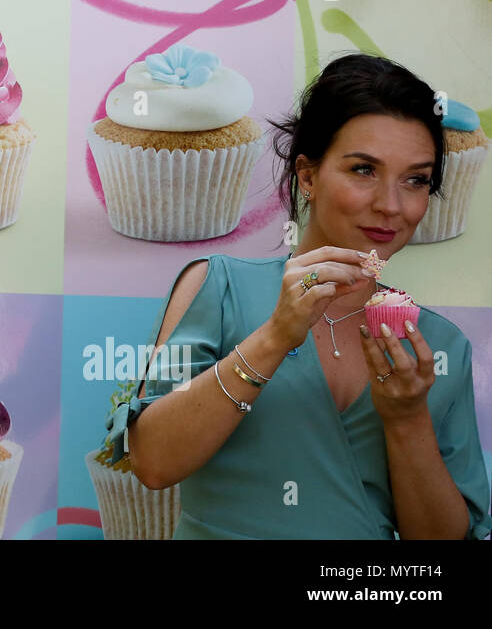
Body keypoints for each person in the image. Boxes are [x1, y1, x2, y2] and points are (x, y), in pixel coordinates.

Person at [108, 54, 491, 539]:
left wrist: (406, 416)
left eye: (415, 180)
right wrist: (274, 337)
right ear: (307, 174)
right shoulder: (217, 286)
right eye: (363, 169)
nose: (391, 205)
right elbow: (153, 463)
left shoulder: (437, 344)